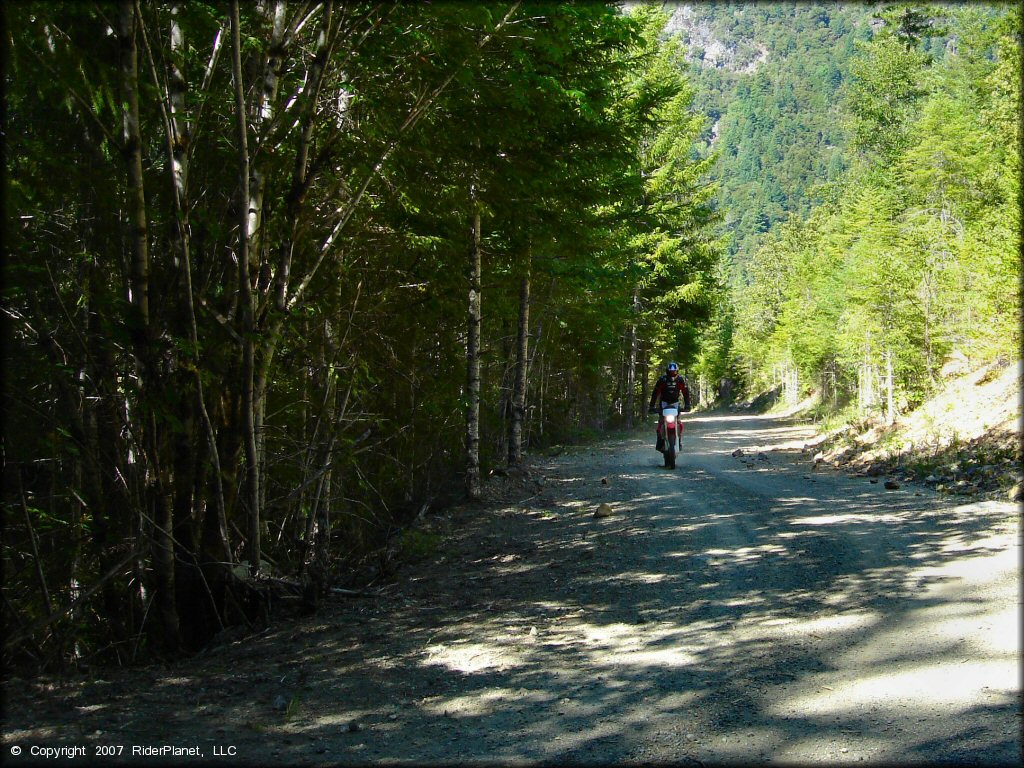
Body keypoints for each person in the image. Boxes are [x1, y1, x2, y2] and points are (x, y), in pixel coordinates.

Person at [648, 362, 691, 451]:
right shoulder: (662, 380)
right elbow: (655, 393)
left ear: (677, 371)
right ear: (667, 371)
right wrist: (652, 406)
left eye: (674, 371)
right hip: (664, 403)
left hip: (675, 403)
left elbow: (685, 392)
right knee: (661, 422)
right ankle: (660, 443)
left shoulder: (680, 380)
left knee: (678, 422)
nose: (672, 373)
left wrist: (687, 405)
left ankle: (679, 441)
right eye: (671, 371)